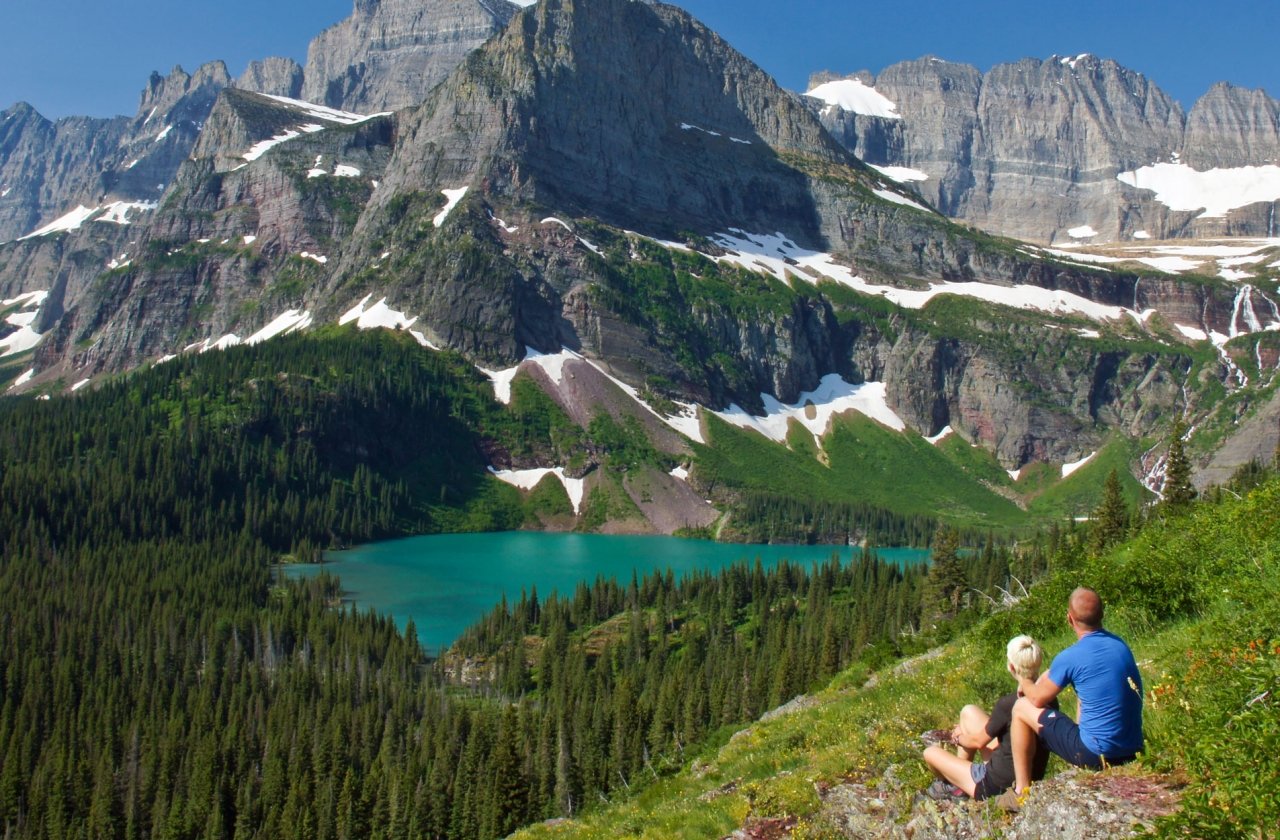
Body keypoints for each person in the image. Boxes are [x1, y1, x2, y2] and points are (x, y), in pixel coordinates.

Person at [998, 587, 1144, 811]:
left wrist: (1022, 679)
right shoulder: (1120, 645)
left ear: (1069, 618)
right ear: (1102, 614)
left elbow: (1036, 699)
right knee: (1087, 692)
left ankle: (1021, 792)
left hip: (1096, 754)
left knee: (1020, 708)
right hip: (1132, 750)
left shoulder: (1071, 657)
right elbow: (1081, 674)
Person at [921, 635, 1056, 801]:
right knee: (968, 712)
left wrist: (957, 737)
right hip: (1029, 773)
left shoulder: (1008, 704)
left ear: (1011, 667)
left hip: (995, 783)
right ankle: (959, 786)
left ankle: (956, 786)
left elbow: (978, 742)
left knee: (930, 753)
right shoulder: (1049, 699)